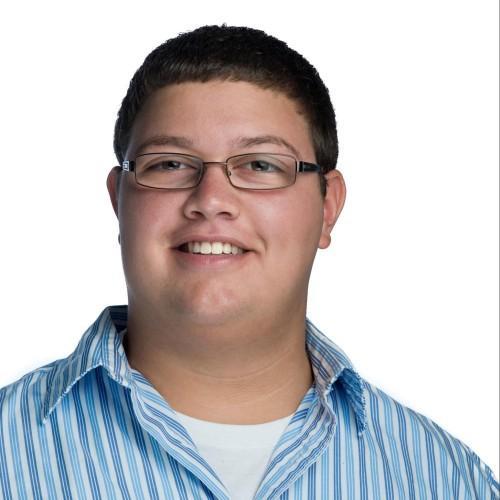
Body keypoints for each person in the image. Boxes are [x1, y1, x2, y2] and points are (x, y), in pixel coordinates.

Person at [0, 24, 498, 500]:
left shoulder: (449, 480)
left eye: (261, 164)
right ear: (118, 201)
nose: (211, 200)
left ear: (328, 208)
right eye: (169, 163)